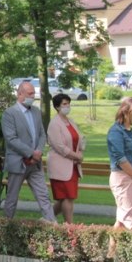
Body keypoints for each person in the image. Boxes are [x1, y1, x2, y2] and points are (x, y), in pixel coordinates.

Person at [1, 80, 55, 222]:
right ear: (20, 94)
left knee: (44, 196)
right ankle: (6, 226)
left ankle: (52, 224)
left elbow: (42, 134)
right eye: (30, 94)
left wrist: (38, 151)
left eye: (33, 93)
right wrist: (31, 152)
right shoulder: (10, 113)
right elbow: (11, 139)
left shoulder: (36, 111)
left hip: (35, 164)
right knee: (12, 198)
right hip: (18, 163)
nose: (33, 96)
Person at [107, 97, 132, 229]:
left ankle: (112, 244)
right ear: (125, 112)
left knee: (122, 221)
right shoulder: (115, 132)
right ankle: (131, 243)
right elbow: (121, 159)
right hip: (123, 178)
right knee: (131, 220)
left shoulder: (131, 131)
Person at [47, 93, 85, 224]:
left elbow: (79, 139)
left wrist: (80, 152)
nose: (67, 106)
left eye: (68, 104)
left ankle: (47, 218)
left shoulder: (71, 121)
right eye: (64, 104)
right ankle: (69, 226)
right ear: (57, 107)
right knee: (66, 196)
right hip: (60, 166)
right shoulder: (54, 124)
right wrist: (76, 156)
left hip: (73, 166)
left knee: (68, 197)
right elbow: (59, 146)